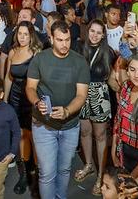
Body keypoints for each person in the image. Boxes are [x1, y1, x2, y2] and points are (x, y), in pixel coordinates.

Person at [26, 20, 89, 199]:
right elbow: (30, 88)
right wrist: (37, 102)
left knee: (64, 169)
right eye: (60, 40)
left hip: (70, 126)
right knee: (46, 172)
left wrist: (67, 111)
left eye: (67, 39)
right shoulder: (40, 59)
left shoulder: (79, 62)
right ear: (51, 39)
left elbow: (81, 95)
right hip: (43, 126)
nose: (64, 44)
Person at [74, 20, 116, 195]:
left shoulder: (109, 52)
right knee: (84, 132)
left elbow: (114, 77)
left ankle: (100, 175)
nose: (94, 35)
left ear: (103, 35)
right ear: (87, 30)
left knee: (99, 136)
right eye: (92, 30)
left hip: (99, 93)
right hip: (81, 92)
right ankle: (89, 165)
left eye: (99, 32)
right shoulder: (79, 47)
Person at [4, 21, 42, 194]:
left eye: (26, 34)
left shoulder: (37, 52)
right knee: (20, 135)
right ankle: (24, 174)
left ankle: (38, 175)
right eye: (20, 34)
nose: (22, 37)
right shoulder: (12, 52)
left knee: (34, 135)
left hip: (32, 97)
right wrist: (4, 100)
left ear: (31, 35)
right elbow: (8, 78)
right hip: (15, 97)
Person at [111, 50, 138, 172]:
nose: (136, 75)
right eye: (132, 69)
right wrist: (114, 147)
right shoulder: (126, 88)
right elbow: (118, 119)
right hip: (123, 148)